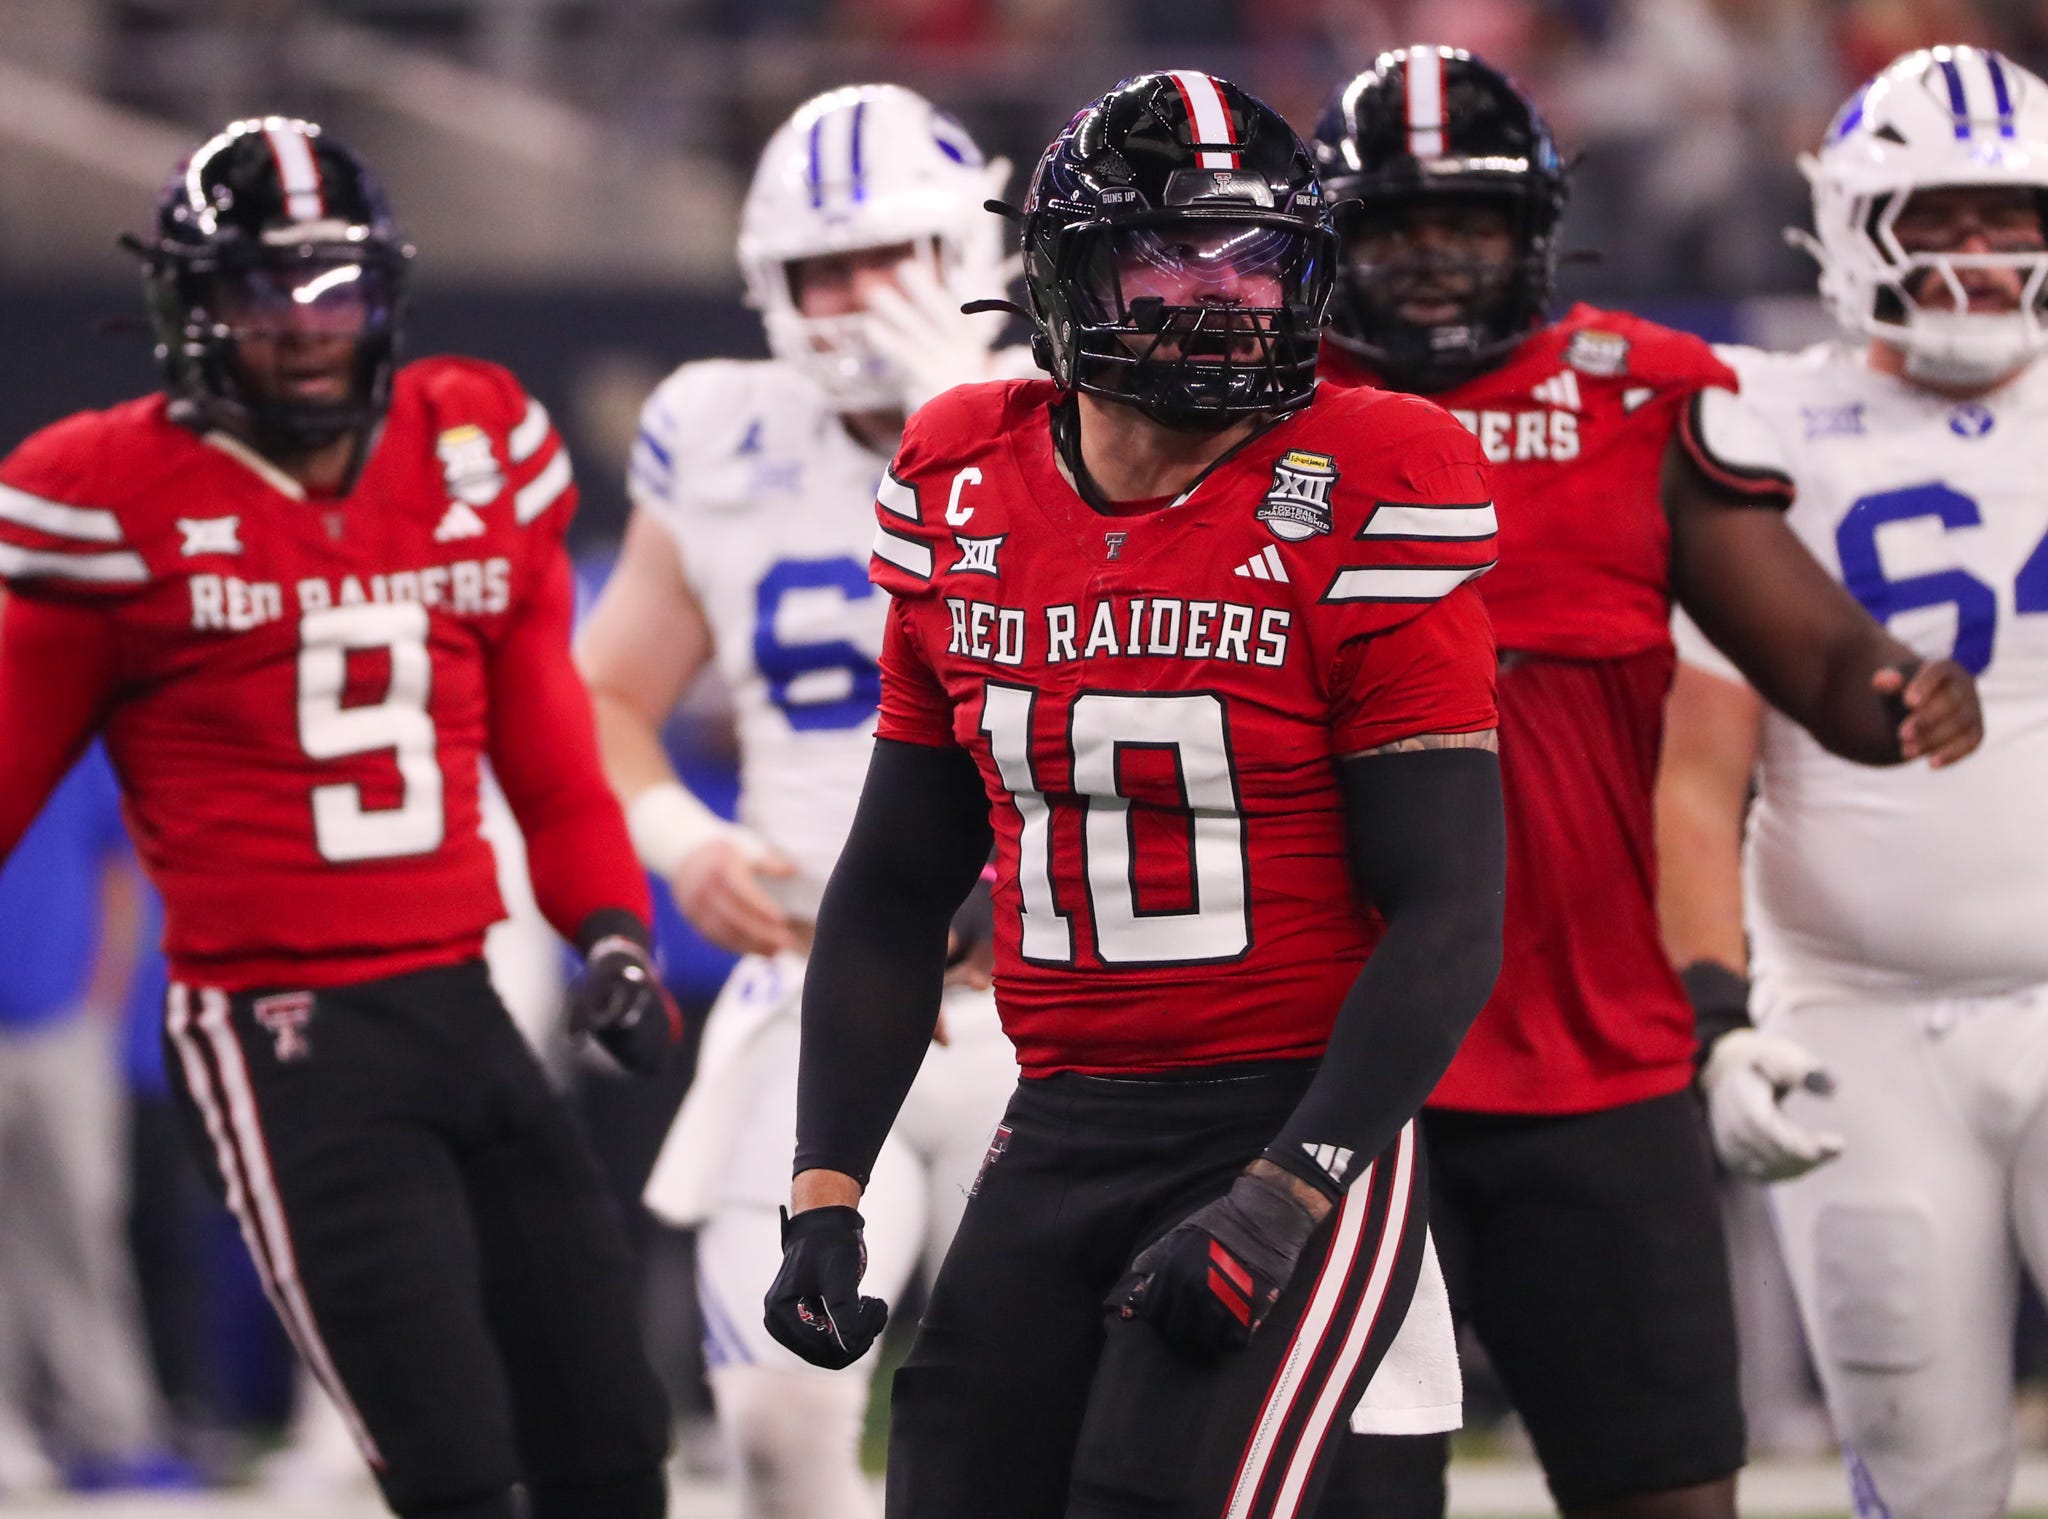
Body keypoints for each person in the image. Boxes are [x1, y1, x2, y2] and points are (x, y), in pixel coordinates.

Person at [763, 71, 1509, 1519]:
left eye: (1258, 261)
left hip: (1290, 1111)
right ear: (1065, 272)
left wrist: (1291, 1187)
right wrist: (825, 1187)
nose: (1219, 298)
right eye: (1171, 255)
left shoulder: (1371, 471)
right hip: (1059, 1115)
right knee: (951, 1482)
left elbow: (1452, 908)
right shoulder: (962, 476)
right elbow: (895, 880)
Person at [1305, 47, 1984, 1519]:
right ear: (1326, 237)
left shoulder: (1645, 394)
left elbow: (1820, 663)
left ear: (1536, 230)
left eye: (1467, 225)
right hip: (1330, 1070)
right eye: (1392, 226)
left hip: (1591, 1056)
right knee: (1342, 1497)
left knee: (1667, 1493)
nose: (1430, 260)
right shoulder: (1259, 408)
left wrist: (1897, 691)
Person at [0, 117, 676, 1519]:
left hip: (465, 995)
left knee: (611, 1443)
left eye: (335, 289)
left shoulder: (470, 440)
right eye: (264, 290)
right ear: (191, 302)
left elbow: (551, 755)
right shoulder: (111, 493)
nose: (306, 330)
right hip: (276, 1024)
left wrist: (610, 926)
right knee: (451, 1461)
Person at [577, 82, 1023, 1519]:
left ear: (968, 252)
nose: (849, 299)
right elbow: (599, 697)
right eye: (818, 268)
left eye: (883, 256)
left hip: (1051, 984)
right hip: (810, 974)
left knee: (1048, 1418)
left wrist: (962, 424)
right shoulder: (719, 428)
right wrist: (681, 836)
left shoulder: (1079, 411)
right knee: (776, 1404)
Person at [1658, 45, 2048, 1519]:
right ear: (1853, 225)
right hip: (1857, 1014)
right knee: (1924, 1469)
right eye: (1936, 216)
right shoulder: (1759, 420)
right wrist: (1719, 1008)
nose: (1974, 252)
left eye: (2005, 213)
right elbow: (1698, 772)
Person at [0, 743, 183, 1493]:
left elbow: (121, 870)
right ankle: (11, 1426)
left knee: (84, 1226)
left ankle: (109, 1426)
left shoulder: (64, 734)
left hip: (63, 1021)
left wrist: (99, 1001)